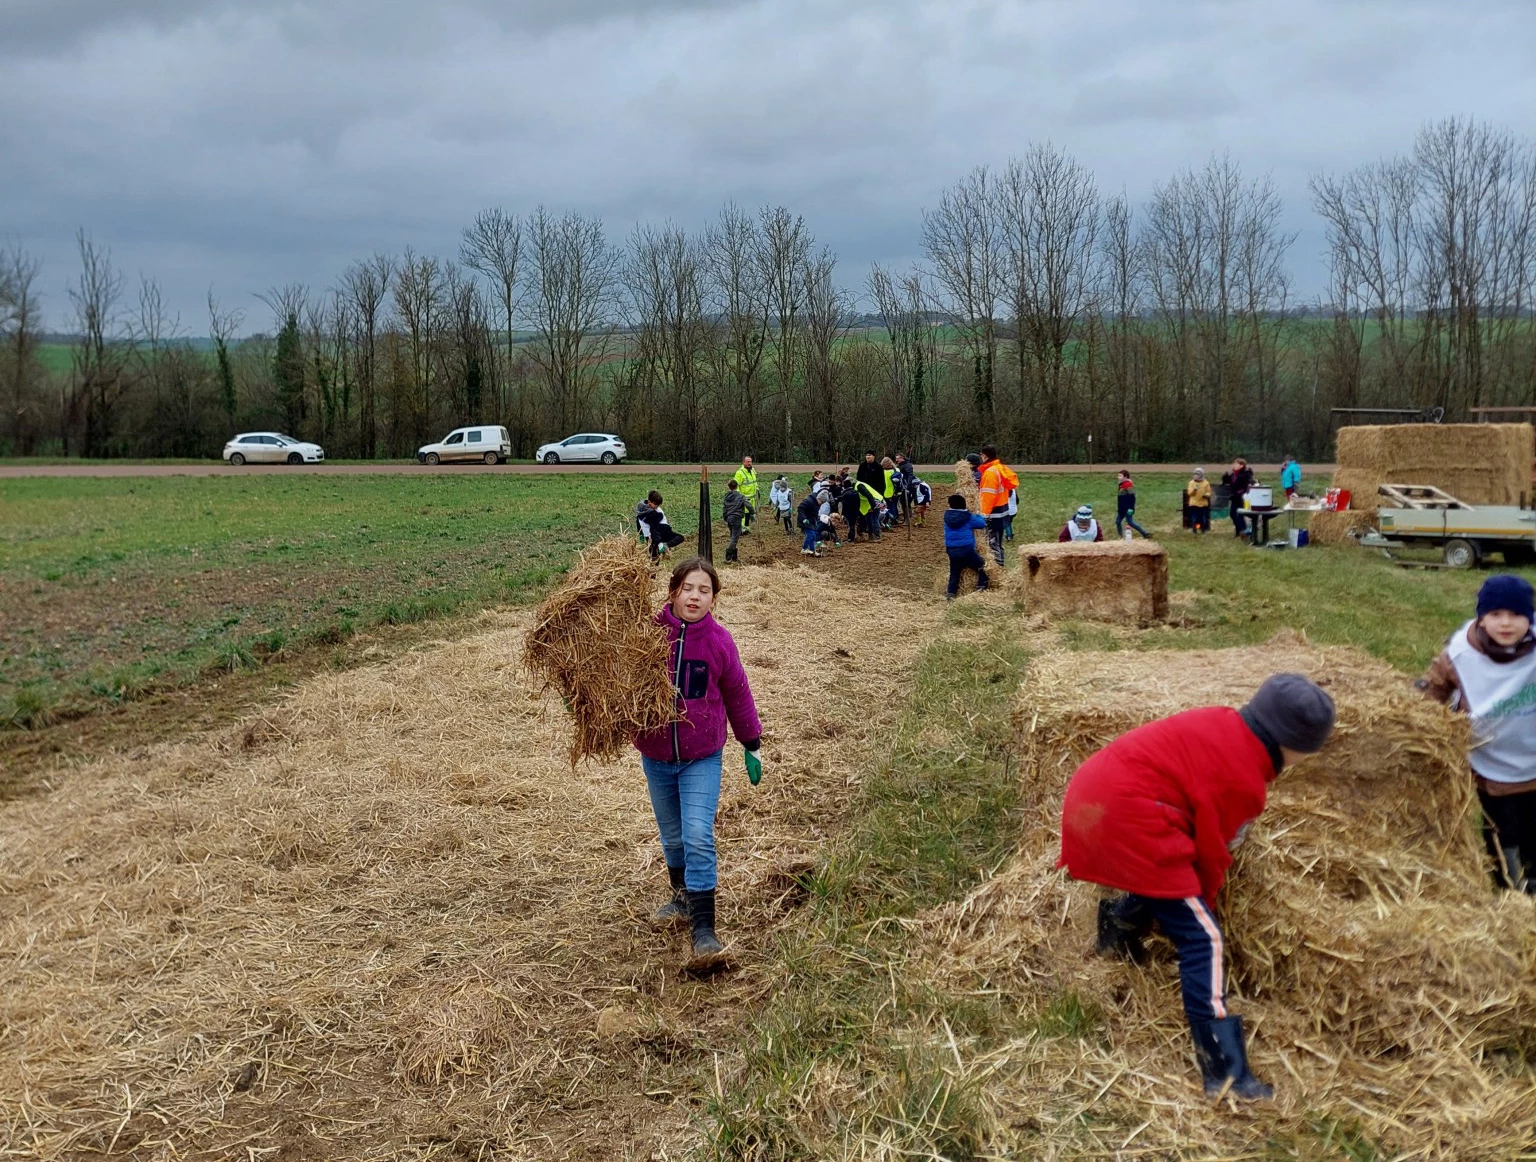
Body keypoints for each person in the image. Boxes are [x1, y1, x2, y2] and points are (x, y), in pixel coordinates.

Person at [1060, 674, 1336, 1101]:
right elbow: (1211, 853)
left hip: (1092, 795)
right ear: (1296, 747)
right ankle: (1226, 1074)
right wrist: (1204, 908)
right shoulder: (1244, 779)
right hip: (1125, 815)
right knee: (1204, 937)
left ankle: (1116, 938)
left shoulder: (1224, 723)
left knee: (1163, 883)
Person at [633, 557, 763, 963]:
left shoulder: (719, 642)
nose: (695, 596)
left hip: (702, 757)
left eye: (704, 590)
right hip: (656, 755)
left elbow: (738, 692)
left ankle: (704, 928)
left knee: (697, 835)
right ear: (673, 591)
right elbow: (613, 675)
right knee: (673, 836)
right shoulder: (646, 635)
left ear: (714, 598)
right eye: (688, 588)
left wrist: (751, 741)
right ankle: (682, 898)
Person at [1417, 574, 1536, 893]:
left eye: (1516, 614)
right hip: (1490, 762)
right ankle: (1509, 885)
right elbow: (1432, 688)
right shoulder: (1461, 655)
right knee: (1502, 828)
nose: (1506, 623)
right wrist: (1418, 712)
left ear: (1530, 617)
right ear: (1482, 618)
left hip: (1533, 755)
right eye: (1496, 614)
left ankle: (1533, 879)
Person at [977, 444, 1018, 567]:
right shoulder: (1000, 468)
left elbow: (988, 497)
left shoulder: (990, 473)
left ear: (985, 456)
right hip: (1002, 511)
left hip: (993, 514)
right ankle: (1001, 565)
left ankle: (996, 570)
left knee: (992, 543)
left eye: (981, 455)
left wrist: (983, 516)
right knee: (998, 543)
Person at [942, 494, 989, 600]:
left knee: (954, 573)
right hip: (966, 549)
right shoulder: (968, 517)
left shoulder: (946, 516)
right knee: (982, 567)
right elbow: (981, 524)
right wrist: (979, 515)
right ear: (964, 504)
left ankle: (950, 594)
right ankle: (981, 587)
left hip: (951, 549)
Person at [636, 490, 686, 561]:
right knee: (680, 537)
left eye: (658, 505)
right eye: (656, 504)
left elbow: (638, 520)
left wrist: (640, 533)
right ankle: (665, 545)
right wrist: (659, 543)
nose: (657, 507)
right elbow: (653, 527)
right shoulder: (653, 513)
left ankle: (655, 561)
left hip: (649, 535)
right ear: (649, 502)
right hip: (660, 532)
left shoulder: (640, 508)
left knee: (653, 554)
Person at [1222, 458, 1255, 540]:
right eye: (1234, 464)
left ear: (1241, 465)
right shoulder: (1233, 474)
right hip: (1234, 497)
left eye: (1236, 464)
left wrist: (1241, 492)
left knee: (1239, 514)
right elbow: (1228, 482)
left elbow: (1248, 484)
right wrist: (1225, 477)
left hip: (1242, 497)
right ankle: (1239, 531)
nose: (1234, 465)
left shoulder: (1245, 474)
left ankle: (1244, 532)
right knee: (1232, 514)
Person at [722, 479, 752, 563]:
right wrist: (753, 513)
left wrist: (725, 518)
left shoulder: (726, 497)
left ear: (729, 487)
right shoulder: (740, 496)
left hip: (729, 518)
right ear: (737, 486)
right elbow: (748, 505)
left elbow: (724, 508)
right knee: (734, 538)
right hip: (736, 518)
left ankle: (734, 557)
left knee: (732, 536)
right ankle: (728, 556)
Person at [1115, 470, 1150, 539]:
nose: (1118, 477)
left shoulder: (1128, 485)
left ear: (1125, 477)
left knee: (1130, 522)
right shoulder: (1121, 484)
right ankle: (1120, 537)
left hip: (1128, 508)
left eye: (1120, 476)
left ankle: (1145, 533)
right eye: (1118, 475)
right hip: (1122, 508)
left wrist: (1131, 508)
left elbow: (1132, 497)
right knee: (1118, 521)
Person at [732, 456, 759, 531]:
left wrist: (757, 490)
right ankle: (742, 529)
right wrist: (738, 496)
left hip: (752, 497)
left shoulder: (752, 470)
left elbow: (754, 482)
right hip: (744, 498)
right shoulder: (739, 473)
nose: (749, 463)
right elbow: (736, 485)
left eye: (750, 461)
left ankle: (746, 527)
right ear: (743, 462)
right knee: (743, 514)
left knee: (749, 513)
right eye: (747, 462)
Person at [796, 490, 823, 557]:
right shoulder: (809, 501)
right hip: (804, 521)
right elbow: (800, 509)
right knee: (811, 535)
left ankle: (812, 550)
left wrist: (816, 521)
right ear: (819, 498)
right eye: (821, 502)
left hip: (811, 521)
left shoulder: (817, 504)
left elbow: (814, 514)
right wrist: (804, 519)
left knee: (813, 536)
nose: (821, 504)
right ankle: (804, 549)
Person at [1186, 468, 1213, 534]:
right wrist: (1194, 490)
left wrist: (1206, 495)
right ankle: (1194, 530)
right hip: (1194, 504)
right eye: (1195, 474)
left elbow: (1209, 492)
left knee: (1203, 518)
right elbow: (1189, 493)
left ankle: (1203, 530)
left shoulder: (1206, 483)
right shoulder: (1191, 483)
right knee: (1194, 518)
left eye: (1197, 474)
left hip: (1203, 504)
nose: (1196, 476)